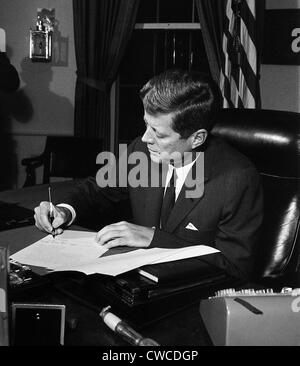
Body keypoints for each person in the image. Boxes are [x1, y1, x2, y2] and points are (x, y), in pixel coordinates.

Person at [34, 69, 263, 280]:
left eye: (159, 134)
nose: (145, 139)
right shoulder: (142, 151)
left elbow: (236, 268)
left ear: (197, 138)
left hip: (192, 299)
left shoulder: (237, 179)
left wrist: (154, 239)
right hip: (136, 280)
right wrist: (64, 210)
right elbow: (97, 190)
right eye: (146, 125)